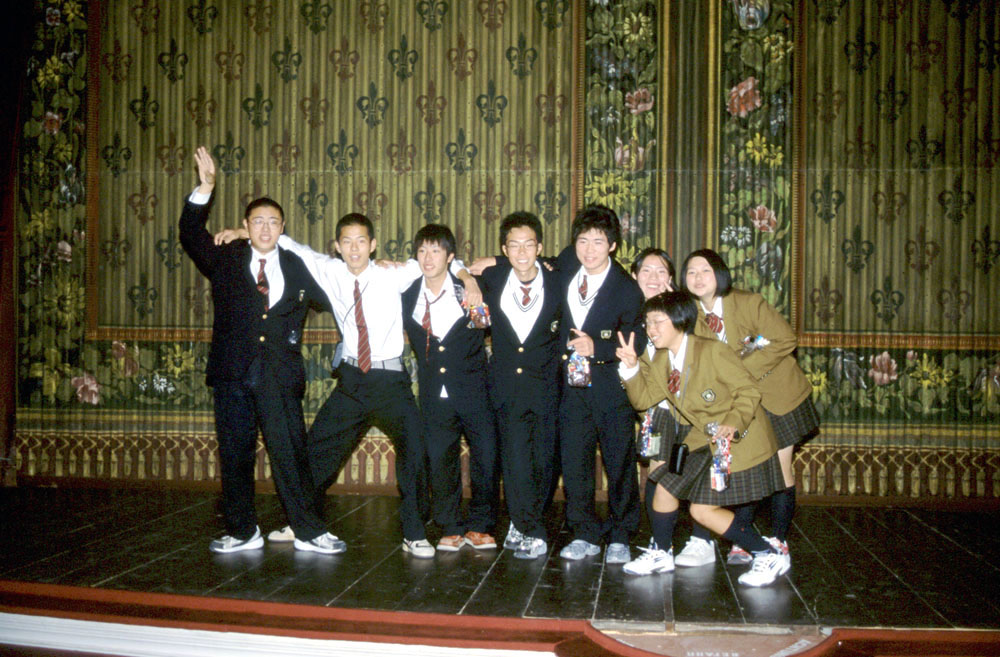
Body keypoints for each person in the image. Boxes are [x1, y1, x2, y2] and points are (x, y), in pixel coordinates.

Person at [221, 213, 480, 559]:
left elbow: (440, 261)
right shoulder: (329, 270)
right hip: (352, 380)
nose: (354, 248)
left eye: (361, 241)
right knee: (314, 451)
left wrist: (467, 277)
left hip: (391, 381)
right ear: (337, 246)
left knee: (415, 451)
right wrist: (243, 232)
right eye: (347, 242)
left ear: (372, 245)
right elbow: (286, 242)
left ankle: (415, 533)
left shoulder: (394, 274)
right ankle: (302, 522)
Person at [179, 146, 344, 555]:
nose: (265, 229)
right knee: (235, 455)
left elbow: (342, 285)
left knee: (290, 455)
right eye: (257, 222)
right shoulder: (224, 257)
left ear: (282, 227)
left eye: (273, 222)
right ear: (245, 225)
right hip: (232, 373)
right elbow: (189, 233)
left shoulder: (300, 265)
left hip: (280, 375)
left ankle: (308, 530)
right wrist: (206, 187)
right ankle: (242, 531)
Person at [616, 291, 788, 587]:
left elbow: (748, 392)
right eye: (648, 323)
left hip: (740, 439)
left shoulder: (712, 351)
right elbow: (643, 399)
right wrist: (631, 368)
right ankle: (661, 553)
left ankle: (768, 554)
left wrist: (732, 423)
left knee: (701, 510)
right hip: (703, 437)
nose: (650, 329)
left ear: (680, 320)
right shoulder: (661, 359)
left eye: (658, 321)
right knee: (663, 485)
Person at [679, 249, 819, 568]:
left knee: (780, 469)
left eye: (705, 270)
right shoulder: (691, 316)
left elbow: (785, 339)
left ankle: (779, 539)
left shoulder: (748, 302)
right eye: (691, 272)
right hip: (740, 404)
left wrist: (741, 370)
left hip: (777, 396)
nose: (698, 278)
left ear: (719, 274)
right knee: (747, 468)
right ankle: (744, 536)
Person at [555, 206, 646, 564]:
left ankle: (622, 534)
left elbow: (637, 341)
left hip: (611, 389)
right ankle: (584, 532)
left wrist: (599, 349)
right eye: (582, 240)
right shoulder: (566, 267)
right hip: (570, 389)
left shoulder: (626, 289)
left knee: (619, 463)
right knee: (574, 462)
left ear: (612, 245)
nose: (589, 249)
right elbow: (533, 262)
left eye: (598, 241)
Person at [401, 224, 500, 552]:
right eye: (422, 251)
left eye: (436, 251)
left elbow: (485, 325)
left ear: (450, 256)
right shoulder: (408, 293)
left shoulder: (471, 291)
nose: (428, 258)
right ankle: (450, 525)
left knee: (486, 457)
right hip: (434, 393)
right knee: (440, 459)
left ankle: (481, 525)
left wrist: (468, 277)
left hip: (475, 389)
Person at [477, 212, 562, 559]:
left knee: (543, 460)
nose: (522, 252)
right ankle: (530, 529)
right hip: (506, 386)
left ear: (540, 248)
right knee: (514, 460)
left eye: (529, 244)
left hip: (546, 386)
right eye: (514, 245)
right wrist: (468, 278)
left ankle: (525, 519)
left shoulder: (559, 281)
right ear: (504, 250)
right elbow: (454, 269)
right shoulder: (493, 278)